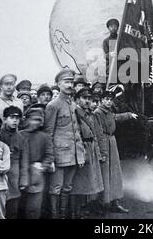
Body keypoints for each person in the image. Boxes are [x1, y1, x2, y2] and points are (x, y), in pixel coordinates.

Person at [44, 69, 85, 219]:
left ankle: (63, 215)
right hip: (59, 155)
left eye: (71, 82)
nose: (69, 85)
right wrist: (51, 158)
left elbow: (76, 132)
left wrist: (79, 155)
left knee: (67, 188)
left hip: (73, 154)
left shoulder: (72, 104)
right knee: (56, 188)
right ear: (58, 84)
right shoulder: (53, 105)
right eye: (66, 82)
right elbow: (48, 133)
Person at [94, 90, 138, 213]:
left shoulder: (108, 112)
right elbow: (98, 133)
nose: (108, 101)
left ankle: (114, 202)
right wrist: (102, 152)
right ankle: (103, 203)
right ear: (102, 100)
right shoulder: (98, 113)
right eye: (106, 99)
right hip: (104, 143)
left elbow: (116, 117)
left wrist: (129, 115)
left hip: (111, 142)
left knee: (114, 173)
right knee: (105, 174)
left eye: (110, 99)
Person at [71, 88, 104, 218]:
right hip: (82, 148)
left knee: (89, 180)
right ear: (77, 99)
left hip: (90, 147)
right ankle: (76, 211)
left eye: (89, 99)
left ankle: (84, 209)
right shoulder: (76, 113)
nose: (87, 101)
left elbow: (95, 134)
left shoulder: (88, 113)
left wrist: (98, 152)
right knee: (79, 182)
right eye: (84, 98)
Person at [20, 107, 54, 219]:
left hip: (36, 175)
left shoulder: (44, 137)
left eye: (39, 120)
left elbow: (50, 155)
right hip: (19, 174)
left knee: (34, 208)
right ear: (27, 120)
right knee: (19, 207)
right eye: (33, 119)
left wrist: (42, 167)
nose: (36, 123)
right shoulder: (20, 135)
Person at [0, 106, 29, 219]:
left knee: (12, 211)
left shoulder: (22, 139)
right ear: (4, 119)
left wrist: (23, 180)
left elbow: (24, 162)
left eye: (17, 118)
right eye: (12, 117)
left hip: (14, 179)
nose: (15, 120)